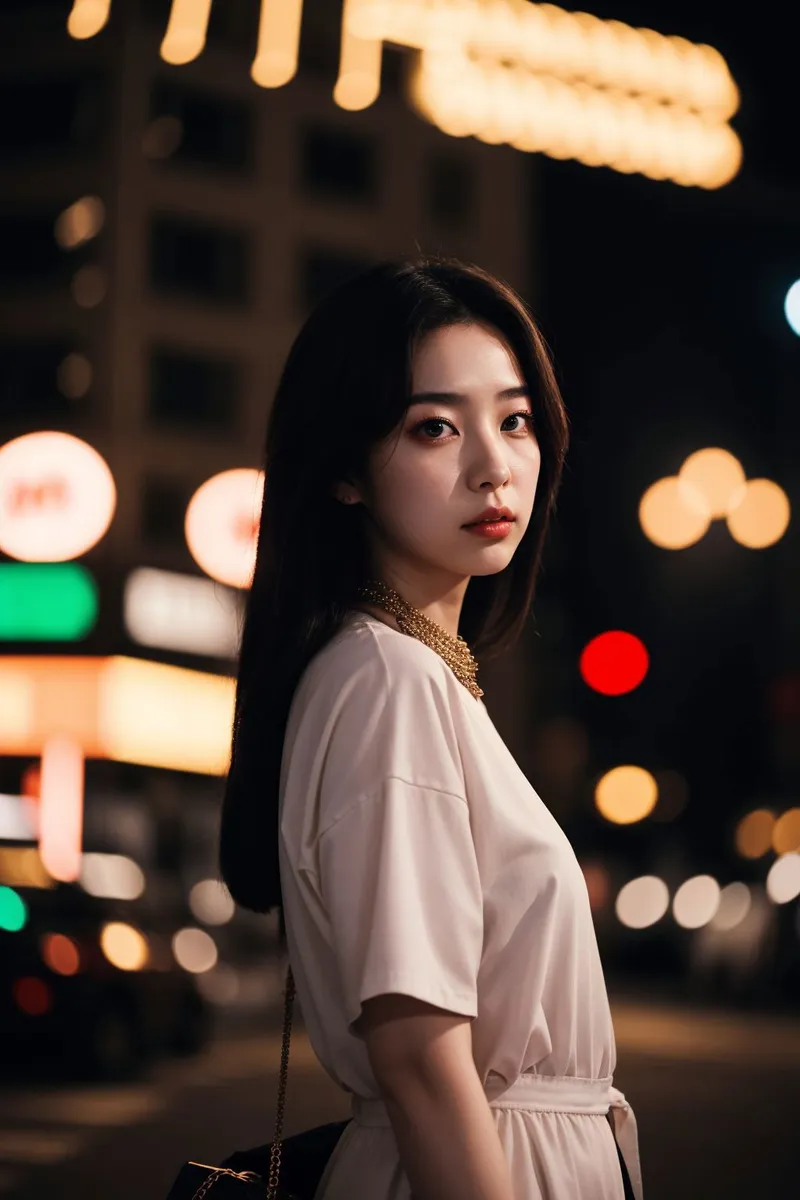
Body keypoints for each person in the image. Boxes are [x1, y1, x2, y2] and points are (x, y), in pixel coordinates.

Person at [219, 255, 643, 1200]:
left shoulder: (416, 675)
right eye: (436, 427)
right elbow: (420, 1059)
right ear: (343, 472)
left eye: (516, 418)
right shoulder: (385, 679)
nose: (495, 466)